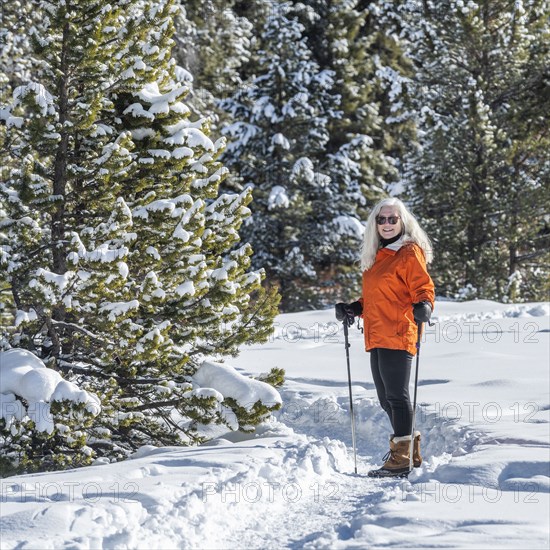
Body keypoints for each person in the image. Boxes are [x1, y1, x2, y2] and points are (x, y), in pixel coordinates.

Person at [335, 197, 435, 477]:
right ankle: (408, 451)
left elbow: (423, 287)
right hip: (377, 333)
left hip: (399, 330)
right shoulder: (378, 255)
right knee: (385, 398)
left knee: (397, 395)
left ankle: (401, 460)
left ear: (403, 222)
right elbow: (375, 298)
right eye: (382, 219)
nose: (388, 224)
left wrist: (424, 305)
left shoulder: (408, 251)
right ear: (375, 224)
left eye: (393, 219)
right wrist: (354, 308)